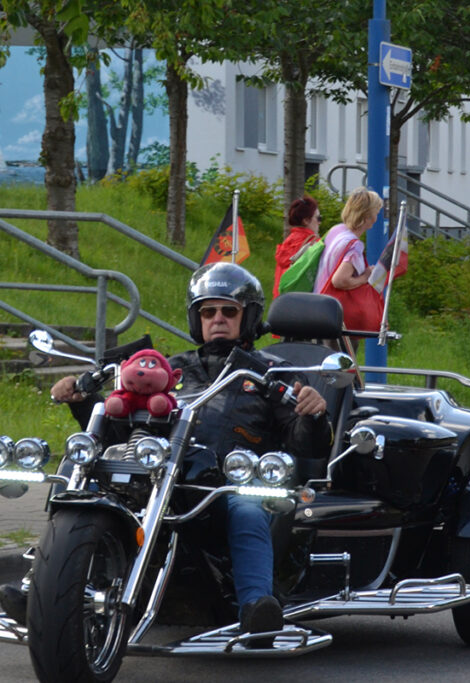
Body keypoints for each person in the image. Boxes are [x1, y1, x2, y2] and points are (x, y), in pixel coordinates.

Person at [3, 263, 332, 645]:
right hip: (158, 475)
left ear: (249, 317)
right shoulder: (169, 369)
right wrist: (84, 403)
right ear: (197, 318)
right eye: (209, 312)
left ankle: (256, 607)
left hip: (222, 486)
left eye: (229, 311)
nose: (218, 319)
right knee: (82, 470)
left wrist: (313, 412)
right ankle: (42, 585)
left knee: (245, 506)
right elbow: (121, 428)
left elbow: (304, 447)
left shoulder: (273, 375)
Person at [314, 186, 385, 334]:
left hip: (317, 305)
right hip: (335, 315)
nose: (376, 218)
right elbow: (339, 280)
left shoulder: (336, 230)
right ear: (367, 217)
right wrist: (365, 277)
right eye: (376, 213)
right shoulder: (354, 246)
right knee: (341, 356)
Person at [272, 195, 322, 299]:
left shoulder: (287, 243)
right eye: (318, 218)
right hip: (304, 304)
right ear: (306, 221)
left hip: (281, 304)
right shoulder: (314, 245)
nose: (319, 223)